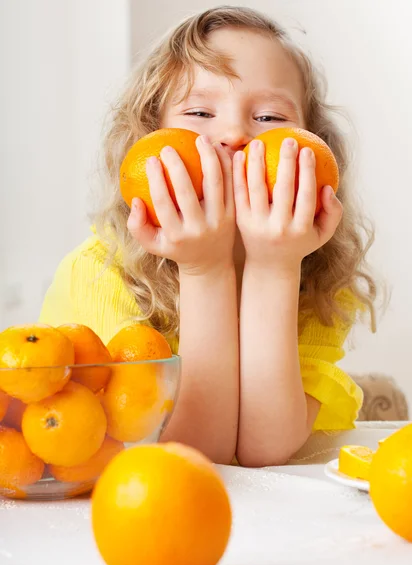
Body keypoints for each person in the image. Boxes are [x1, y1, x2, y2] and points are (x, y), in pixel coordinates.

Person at [40, 6, 377, 467]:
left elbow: (265, 449)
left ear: (316, 148)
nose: (234, 133)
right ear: (146, 136)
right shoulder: (100, 272)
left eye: (270, 117)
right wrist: (204, 267)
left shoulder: (316, 274)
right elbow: (195, 453)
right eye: (199, 111)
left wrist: (274, 269)